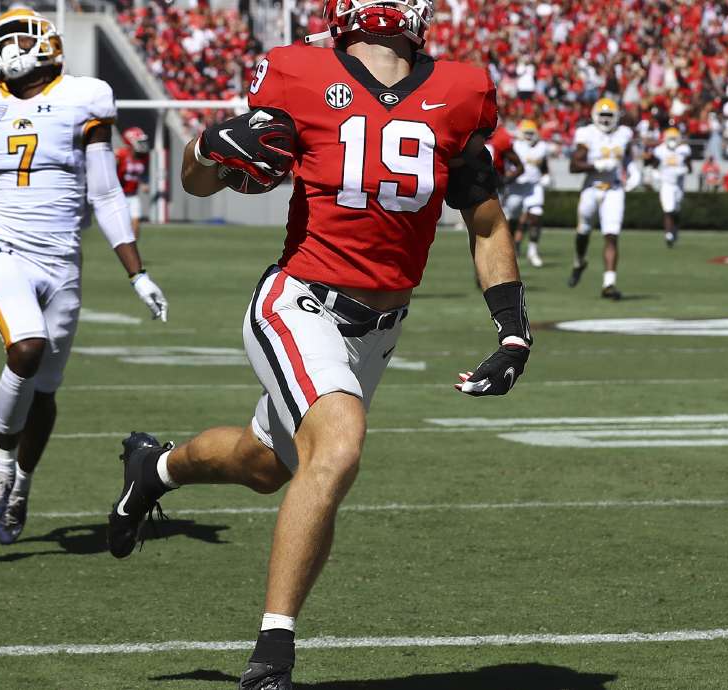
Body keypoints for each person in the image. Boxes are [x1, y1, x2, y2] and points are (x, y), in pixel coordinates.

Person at [104, 0, 532, 686]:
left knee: (266, 464)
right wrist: (209, 145)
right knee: (338, 444)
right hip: (299, 299)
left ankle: (152, 471)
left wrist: (512, 331)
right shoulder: (297, 73)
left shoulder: (459, 90)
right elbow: (201, 176)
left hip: (381, 330)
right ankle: (273, 654)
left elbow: (484, 221)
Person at [0, 8, 169, 546]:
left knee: (44, 390)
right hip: (7, 249)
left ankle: (21, 485)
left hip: (63, 261)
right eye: (2, 39)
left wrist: (138, 275)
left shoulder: (82, 98)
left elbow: (106, 192)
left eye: (18, 37)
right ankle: (0, 467)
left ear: (47, 43)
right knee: (26, 348)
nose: (9, 48)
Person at [568, 97, 639, 300]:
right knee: (583, 232)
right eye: (603, 115)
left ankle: (609, 283)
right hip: (591, 188)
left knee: (611, 234)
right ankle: (579, 261)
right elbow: (573, 166)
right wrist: (597, 166)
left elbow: (627, 157)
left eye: (610, 116)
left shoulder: (624, 134)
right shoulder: (587, 134)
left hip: (614, 189)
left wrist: (634, 172)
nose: (606, 120)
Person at [504, 119, 549, 267]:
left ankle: (533, 251)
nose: (529, 136)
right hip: (516, 186)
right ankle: (508, 249)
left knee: (536, 215)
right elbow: (507, 163)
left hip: (534, 186)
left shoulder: (542, 147)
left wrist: (545, 176)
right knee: (512, 219)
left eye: (531, 133)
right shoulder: (514, 145)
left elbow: (544, 165)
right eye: (527, 133)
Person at [647, 127, 690, 248]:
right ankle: (668, 234)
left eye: (674, 139)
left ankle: (674, 231)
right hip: (666, 183)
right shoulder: (660, 150)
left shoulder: (683, 150)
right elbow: (654, 166)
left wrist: (683, 170)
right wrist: (656, 175)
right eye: (670, 139)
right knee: (668, 209)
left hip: (679, 184)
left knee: (676, 210)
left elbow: (689, 167)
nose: (672, 141)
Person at [116, 126, 151, 237]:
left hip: (133, 195)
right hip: (120, 195)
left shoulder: (143, 157)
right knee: (122, 226)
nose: (143, 144)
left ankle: (132, 250)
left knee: (136, 224)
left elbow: (141, 174)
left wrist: (143, 183)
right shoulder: (121, 154)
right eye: (139, 141)